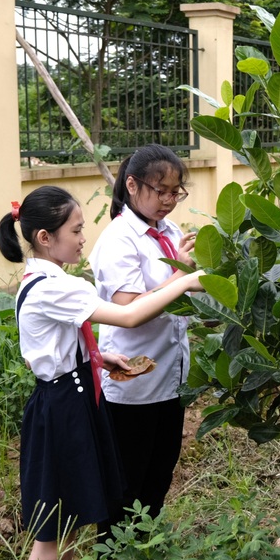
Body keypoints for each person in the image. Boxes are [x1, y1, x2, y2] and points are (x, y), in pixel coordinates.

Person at [0, 186, 203, 560]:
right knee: (52, 538)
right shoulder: (55, 287)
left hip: (68, 403)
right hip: (63, 413)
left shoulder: (45, 279)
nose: (83, 237)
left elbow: (49, 347)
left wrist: (96, 357)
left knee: (68, 528)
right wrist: (185, 279)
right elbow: (128, 315)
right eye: (76, 230)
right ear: (44, 238)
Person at [89, 144, 197, 531]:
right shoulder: (119, 240)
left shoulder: (168, 231)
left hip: (170, 379)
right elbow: (129, 309)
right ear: (132, 185)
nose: (170, 200)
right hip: (132, 385)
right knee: (126, 483)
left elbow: (182, 293)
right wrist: (180, 278)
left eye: (176, 191)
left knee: (158, 476)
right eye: (161, 190)